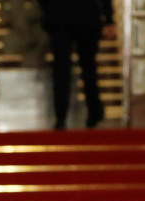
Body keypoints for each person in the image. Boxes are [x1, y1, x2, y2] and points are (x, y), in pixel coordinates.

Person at [37, 0, 114, 129]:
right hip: (84, 15)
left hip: (60, 15)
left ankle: (61, 115)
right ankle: (93, 111)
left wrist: (48, 8)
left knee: (63, 69)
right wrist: (109, 18)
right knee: (87, 67)